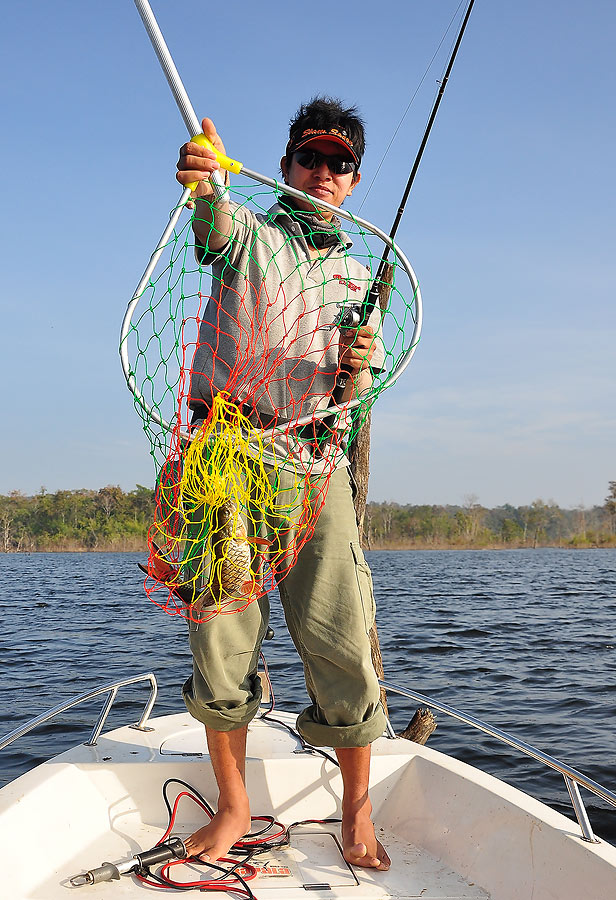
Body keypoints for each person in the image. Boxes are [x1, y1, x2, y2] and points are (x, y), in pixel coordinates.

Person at [174, 97, 391, 871]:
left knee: (340, 635)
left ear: (355, 181)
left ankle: (356, 812)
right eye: (309, 157)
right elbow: (212, 221)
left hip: (314, 462)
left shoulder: (360, 269)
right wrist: (204, 178)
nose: (322, 173)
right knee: (221, 634)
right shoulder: (248, 232)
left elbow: (348, 394)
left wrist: (355, 365)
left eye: (339, 164)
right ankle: (234, 806)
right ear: (287, 164)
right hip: (226, 455)